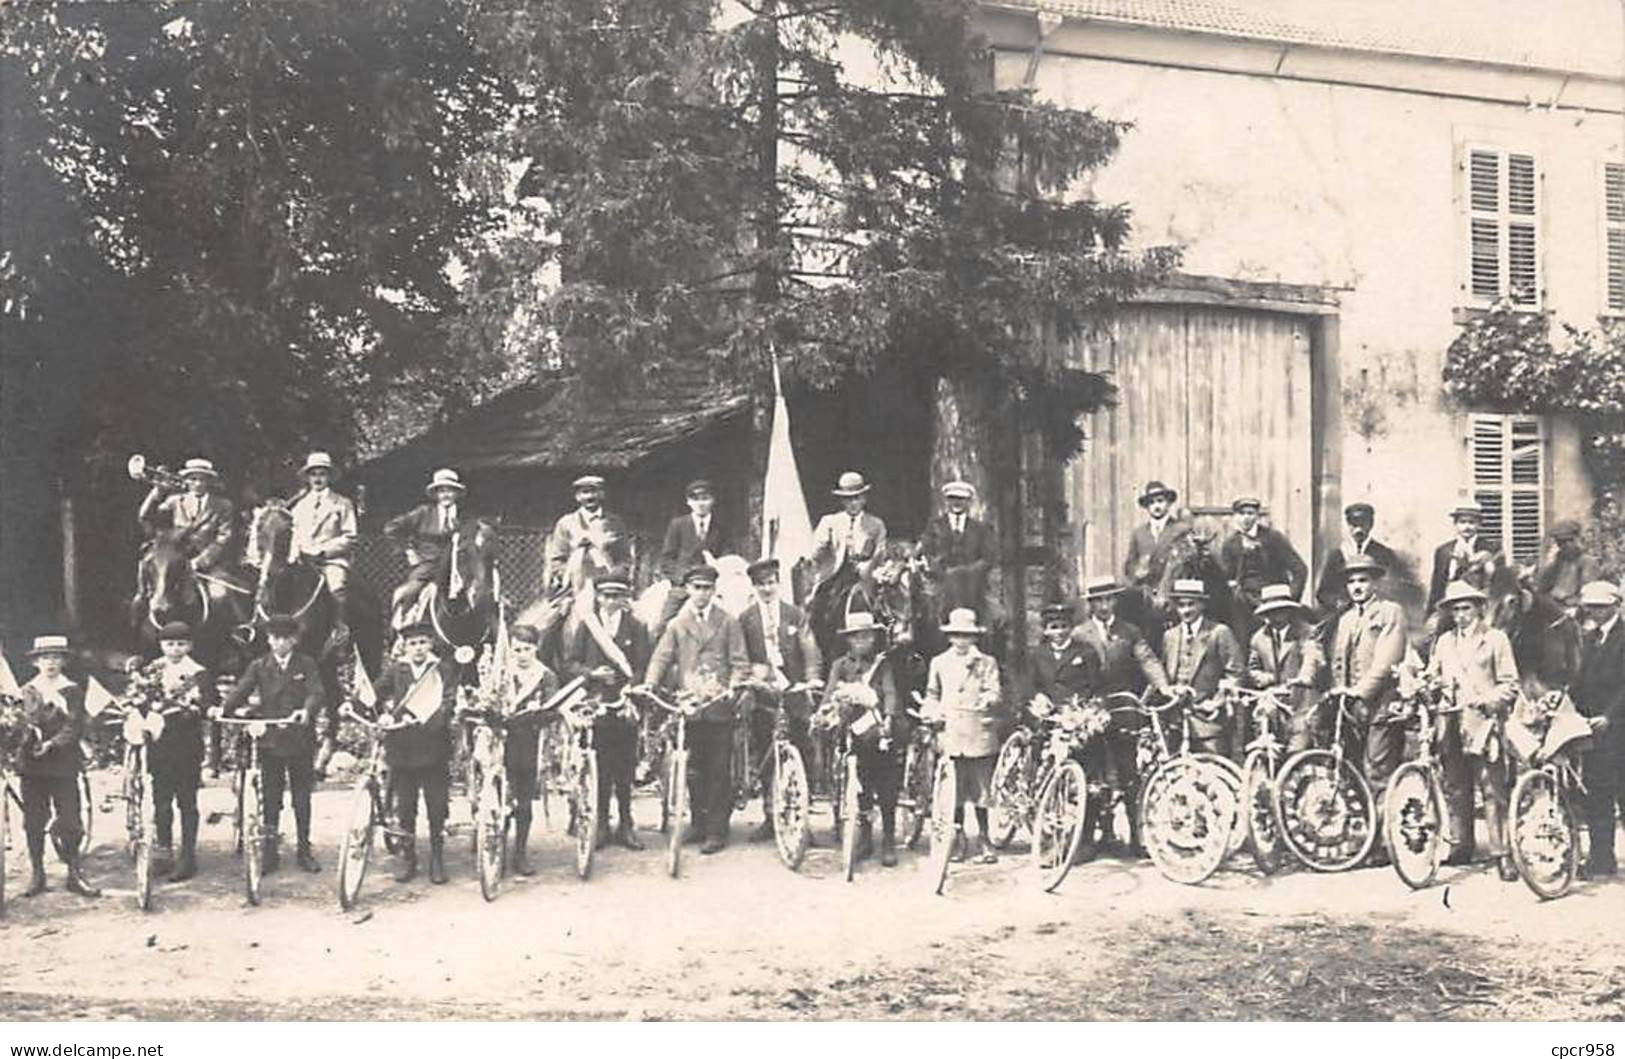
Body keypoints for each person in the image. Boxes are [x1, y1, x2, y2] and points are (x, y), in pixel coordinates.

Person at [646, 564, 750, 854]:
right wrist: (650, 683)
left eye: (707, 588)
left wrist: (733, 685)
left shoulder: (728, 622)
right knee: (693, 769)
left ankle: (717, 829)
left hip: (719, 706)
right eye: (697, 588)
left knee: (718, 768)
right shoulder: (678, 624)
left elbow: (740, 661)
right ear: (688, 590)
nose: (702, 594)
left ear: (714, 591)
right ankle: (698, 822)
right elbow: (661, 657)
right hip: (690, 706)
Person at [220, 614, 325, 874]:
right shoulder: (259, 665)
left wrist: (307, 711)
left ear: (294, 640)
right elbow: (241, 689)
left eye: (284, 639)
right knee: (270, 797)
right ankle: (270, 851)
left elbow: (317, 692)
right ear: (268, 640)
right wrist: (221, 709)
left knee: (301, 797)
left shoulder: (306, 664)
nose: (279, 643)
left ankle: (304, 848)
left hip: (299, 738)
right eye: (274, 638)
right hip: (271, 741)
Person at [1429, 581, 1520, 879]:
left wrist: (1487, 700)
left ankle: (1501, 853)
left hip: (1483, 724)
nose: (1460, 615)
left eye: (1466, 608)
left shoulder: (1495, 640)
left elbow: (1510, 685)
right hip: (1451, 722)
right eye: (1455, 610)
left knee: (1492, 789)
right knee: (1455, 785)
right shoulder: (1444, 642)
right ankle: (1462, 845)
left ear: (1479, 608)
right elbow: (1434, 675)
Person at [1074, 575, 1170, 853]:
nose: (1104, 605)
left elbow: (1148, 660)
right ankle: (1090, 838)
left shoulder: (1130, 631)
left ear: (1115, 601)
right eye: (1098, 601)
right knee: (1091, 772)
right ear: (1091, 605)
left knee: (1129, 772)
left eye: (1109, 599)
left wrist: (1163, 686)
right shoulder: (1080, 634)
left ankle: (1137, 837)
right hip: (1090, 711)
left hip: (1123, 708)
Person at [563, 568, 651, 851]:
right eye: (606, 595)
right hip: (595, 705)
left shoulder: (636, 627)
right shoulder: (587, 627)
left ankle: (626, 824)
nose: (611, 601)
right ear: (598, 597)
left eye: (617, 596)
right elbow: (571, 663)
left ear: (625, 598)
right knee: (598, 767)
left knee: (625, 769)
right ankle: (600, 824)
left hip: (625, 705)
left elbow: (642, 666)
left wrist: (630, 687)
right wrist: (592, 675)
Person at [738, 557, 822, 842]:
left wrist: (811, 679)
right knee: (767, 751)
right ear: (754, 586)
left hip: (794, 692)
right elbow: (742, 656)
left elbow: (810, 649)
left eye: (771, 582)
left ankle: (802, 819)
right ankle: (770, 816)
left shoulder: (795, 615)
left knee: (803, 751)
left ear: (778, 584)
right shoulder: (746, 618)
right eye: (761, 584)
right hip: (765, 695)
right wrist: (750, 677)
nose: (766, 588)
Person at [372, 622, 457, 883]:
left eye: (422, 642)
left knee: (436, 806)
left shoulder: (442, 669)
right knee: (406, 807)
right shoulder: (397, 670)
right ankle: (408, 858)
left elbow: (449, 701)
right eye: (412, 644)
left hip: (433, 748)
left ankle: (437, 858)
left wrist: (430, 720)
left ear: (430, 644)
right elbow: (375, 694)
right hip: (403, 749)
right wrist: (380, 713)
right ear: (405, 647)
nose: (418, 648)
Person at [15, 635, 99, 898]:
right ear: (36, 662)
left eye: (55, 658)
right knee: (34, 820)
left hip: (63, 763)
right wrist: (23, 741)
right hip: (32, 766)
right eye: (45, 658)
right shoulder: (26, 691)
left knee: (70, 819)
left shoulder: (72, 690)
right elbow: (18, 724)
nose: (50, 663)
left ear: (63, 661)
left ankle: (74, 871)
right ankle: (38, 873)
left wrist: (52, 744)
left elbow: (74, 725)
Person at [1327, 555, 1409, 818]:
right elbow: (1339, 663)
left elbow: (1387, 660)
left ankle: (1384, 840)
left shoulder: (1390, 612)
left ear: (1375, 583)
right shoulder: (1346, 619)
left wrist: (1360, 692)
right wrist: (1342, 693)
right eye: (1351, 582)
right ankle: (1363, 835)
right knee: (1351, 769)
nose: (1357, 587)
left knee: (1378, 769)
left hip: (1382, 704)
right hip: (1351, 708)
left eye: (1363, 580)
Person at [820, 610, 904, 866]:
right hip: (851, 733)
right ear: (849, 640)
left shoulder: (882, 664)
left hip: (877, 730)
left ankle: (888, 838)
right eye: (856, 638)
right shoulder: (841, 666)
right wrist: (826, 711)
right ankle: (866, 837)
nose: (862, 642)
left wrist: (889, 718)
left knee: (886, 785)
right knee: (861, 788)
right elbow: (830, 693)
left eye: (866, 637)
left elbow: (890, 692)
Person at [922, 608, 1003, 864]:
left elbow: (995, 690)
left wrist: (988, 699)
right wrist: (932, 711)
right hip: (952, 731)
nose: (961, 641)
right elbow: (932, 693)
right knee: (954, 789)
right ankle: (957, 839)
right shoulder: (939, 662)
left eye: (966, 636)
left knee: (981, 789)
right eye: (956, 635)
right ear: (949, 637)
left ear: (974, 638)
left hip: (978, 730)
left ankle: (984, 838)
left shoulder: (986, 662)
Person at [142, 621, 215, 882]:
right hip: (159, 743)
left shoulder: (199, 673)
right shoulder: (152, 670)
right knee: (161, 799)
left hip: (186, 744)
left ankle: (188, 856)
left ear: (190, 646)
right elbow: (142, 699)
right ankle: (164, 851)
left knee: (186, 800)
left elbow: (208, 702)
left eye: (181, 644)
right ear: (161, 645)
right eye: (170, 644)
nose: (175, 649)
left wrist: (193, 709)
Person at [137, 457, 239, 608]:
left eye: (202, 479)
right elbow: (146, 517)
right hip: (174, 558)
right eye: (193, 479)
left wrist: (199, 562)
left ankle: (236, 629)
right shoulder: (175, 501)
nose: (197, 484)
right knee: (148, 581)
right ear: (186, 481)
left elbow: (223, 538)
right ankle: (136, 618)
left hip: (208, 563)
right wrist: (157, 492)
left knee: (219, 596)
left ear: (209, 482)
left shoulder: (223, 505)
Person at [1572, 581, 1623, 877]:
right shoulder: (1590, 638)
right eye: (1590, 606)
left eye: (1601, 606)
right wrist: (1564, 698)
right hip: (1594, 731)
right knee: (1598, 795)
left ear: (1615, 605)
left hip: (1619, 727)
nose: (1594, 611)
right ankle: (1601, 859)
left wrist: (1610, 716)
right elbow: (1582, 682)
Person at [1159, 579, 1243, 758]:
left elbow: (1236, 673)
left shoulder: (1219, 632)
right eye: (1181, 605)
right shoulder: (1170, 636)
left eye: (1191, 604)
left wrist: (1216, 702)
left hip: (1209, 722)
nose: (1186, 610)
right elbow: (1164, 675)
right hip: (1177, 723)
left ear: (1202, 605)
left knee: (1214, 774)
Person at [503, 624, 559, 873]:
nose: (522, 654)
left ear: (535, 649)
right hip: (501, 741)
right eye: (517, 649)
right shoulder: (502, 672)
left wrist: (540, 714)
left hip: (529, 742)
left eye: (527, 649)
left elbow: (552, 708)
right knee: (499, 799)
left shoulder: (545, 676)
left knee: (523, 802)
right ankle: (495, 847)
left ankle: (520, 852)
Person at [1218, 496, 1308, 647]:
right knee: (1242, 643)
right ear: (1235, 516)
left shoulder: (1273, 538)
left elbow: (1300, 569)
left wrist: (1290, 599)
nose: (1246, 518)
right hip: (1244, 605)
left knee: (1274, 643)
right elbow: (1227, 576)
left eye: (1250, 513)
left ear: (1257, 516)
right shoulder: (1230, 544)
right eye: (1242, 514)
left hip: (1272, 602)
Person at [287, 451, 359, 639]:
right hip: (302, 560)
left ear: (329, 477)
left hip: (330, 560)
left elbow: (350, 536)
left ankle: (340, 629)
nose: (318, 478)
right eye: (313, 474)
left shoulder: (342, 503)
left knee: (336, 586)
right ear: (308, 477)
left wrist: (322, 551)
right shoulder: (299, 505)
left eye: (322, 473)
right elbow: (294, 533)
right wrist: (294, 553)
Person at [383, 468, 470, 622]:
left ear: (456, 494)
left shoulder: (465, 515)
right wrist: (408, 550)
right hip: (429, 565)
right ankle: (402, 626)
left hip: (459, 567)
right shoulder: (423, 513)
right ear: (436, 495)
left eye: (450, 491)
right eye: (441, 491)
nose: (446, 495)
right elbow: (392, 528)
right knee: (410, 593)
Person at [1246, 585, 1324, 755]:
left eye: (1281, 610)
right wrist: (1264, 678)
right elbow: (1253, 668)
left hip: (1301, 706)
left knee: (1297, 755)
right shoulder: (1259, 638)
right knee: (1267, 753)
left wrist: (1303, 678)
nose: (1276, 616)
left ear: (1289, 610)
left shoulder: (1307, 632)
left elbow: (1312, 657)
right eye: (1271, 611)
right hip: (1272, 706)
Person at [916, 481, 997, 624]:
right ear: (946, 501)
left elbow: (988, 558)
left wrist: (966, 572)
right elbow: (926, 552)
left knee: (996, 619)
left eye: (961, 499)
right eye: (952, 498)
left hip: (974, 585)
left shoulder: (980, 528)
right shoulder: (935, 526)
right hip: (941, 582)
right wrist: (939, 570)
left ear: (969, 502)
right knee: (927, 616)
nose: (956, 503)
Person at [656, 479, 729, 632]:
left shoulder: (721, 527)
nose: (701, 503)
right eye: (695, 499)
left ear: (712, 500)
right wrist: (682, 578)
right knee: (664, 624)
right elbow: (666, 559)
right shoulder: (678, 524)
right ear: (688, 502)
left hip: (712, 584)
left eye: (705, 498)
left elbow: (726, 558)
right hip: (684, 586)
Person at [546, 474, 632, 601]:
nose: (590, 497)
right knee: (549, 618)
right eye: (585, 493)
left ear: (602, 494)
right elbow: (557, 559)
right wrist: (571, 576)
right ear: (577, 497)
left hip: (609, 585)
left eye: (594, 492)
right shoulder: (566, 523)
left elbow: (624, 558)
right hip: (573, 587)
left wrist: (613, 576)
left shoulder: (615, 523)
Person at [1315, 502, 1404, 616]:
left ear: (1371, 524)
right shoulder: (1337, 555)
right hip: (1342, 615)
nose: (1358, 529)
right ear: (1348, 525)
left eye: (1362, 524)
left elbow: (1395, 590)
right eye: (1353, 524)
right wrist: (1338, 603)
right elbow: (1323, 593)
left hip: (1375, 614)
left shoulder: (1384, 554)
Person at [812, 471, 888, 597]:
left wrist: (867, 567)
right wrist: (822, 546)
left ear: (864, 499)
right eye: (848, 499)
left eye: (857, 498)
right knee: (817, 604)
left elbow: (880, 553)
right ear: (842, 501)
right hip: (834, 576)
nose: (853, 503)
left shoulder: (876, 524)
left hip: (866, 580)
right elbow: (815, 553)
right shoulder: (829, 522)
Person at [1425, 503, 1505, 616]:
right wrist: (1431, 613)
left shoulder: (1492, 548)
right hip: (1450, 605)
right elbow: (1437, 585)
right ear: (1455, 524)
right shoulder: (1443, 551)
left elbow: (1497, 585)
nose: (1467, 527)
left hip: (1480, 607)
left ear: (1479, 525)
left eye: (1472, 522)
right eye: (1462, 522)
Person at [1121, 480, 1191, 596]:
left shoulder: (1181, 530)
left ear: (1168, 503)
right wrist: (1137, 573)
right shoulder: (1139, 533)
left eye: (1160, 501)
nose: (1156, 506)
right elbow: (1129, 564)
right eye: (1152, 503)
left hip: (1173, 593)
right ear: (1147, 507)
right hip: (1146, 594)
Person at [1533, 520, 1602, 613]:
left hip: (1575, 610)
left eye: (1569, 541)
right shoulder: (1558, 562)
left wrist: (1571, 601)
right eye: (1560, 542)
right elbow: (1542, 587)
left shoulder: (1587, 562)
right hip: (1554, 608)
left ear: (1577, 539)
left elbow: (1588, 593)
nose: (1564, 546)